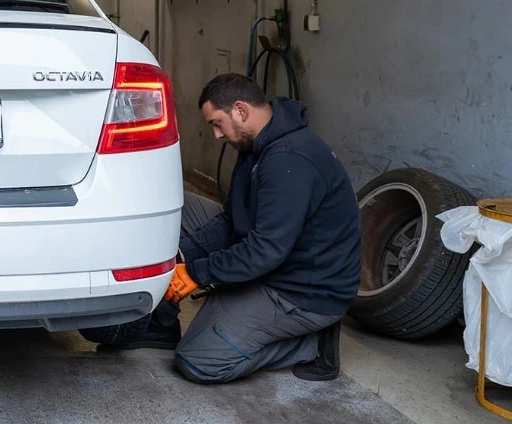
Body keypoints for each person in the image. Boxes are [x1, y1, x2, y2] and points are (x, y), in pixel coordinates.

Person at [101, 73, 361, 384]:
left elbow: (266, 251)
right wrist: (184, 252)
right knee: (173, 211)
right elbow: (231, 218)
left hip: (303, 290)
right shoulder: (256, 145)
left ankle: (311, 344)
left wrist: (197, 273)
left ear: (240, 110)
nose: (216, 135)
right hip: (278, 259)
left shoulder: (288, 160)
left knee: (198, 361)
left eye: (216, 123)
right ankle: (161, 325)